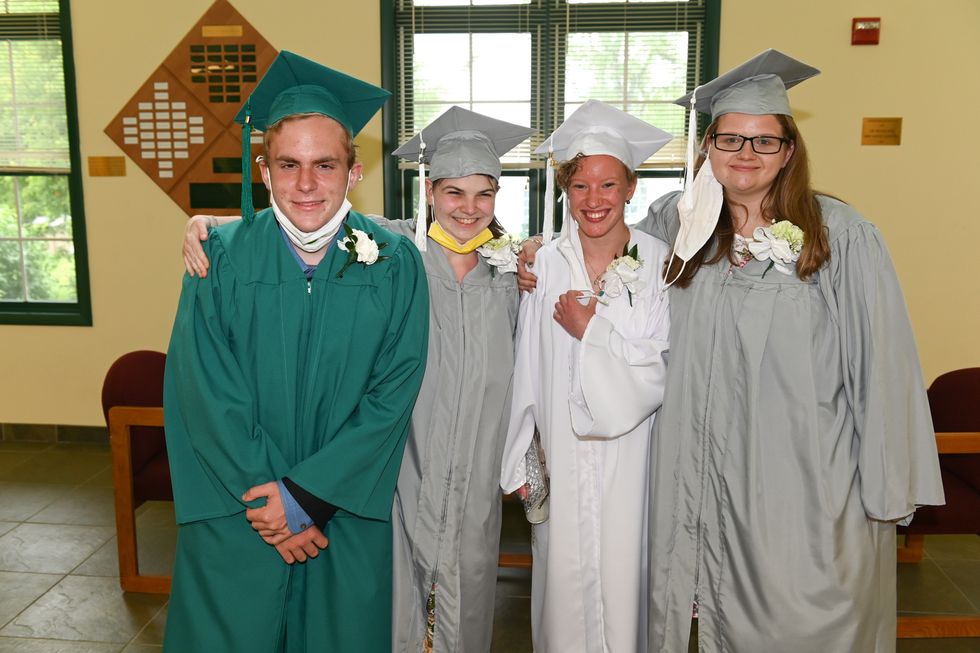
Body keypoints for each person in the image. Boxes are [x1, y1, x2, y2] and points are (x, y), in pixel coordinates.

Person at [519, 49, 945, 653]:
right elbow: (601, 237)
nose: (746, 153)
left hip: (803, 480)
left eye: (764, 140)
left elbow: (883, 369)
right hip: (697, 472)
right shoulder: (676, 226)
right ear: (708, 147)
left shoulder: (840, 236)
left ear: (789, 150)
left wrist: (887, 489)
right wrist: (537, 252)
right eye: (730, 139)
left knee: (802, 621)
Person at [182, 106, 532, 653]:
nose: (468, 207)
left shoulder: (494, 271)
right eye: (453, 192)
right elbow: (206, 386)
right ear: (429, 190)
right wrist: (205, 223)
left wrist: (533, 250)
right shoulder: (390, 250)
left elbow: (403, 387)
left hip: (429, 479)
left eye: (483, 194)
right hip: (354, 482)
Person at [163, 51, 428, 653]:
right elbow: (205, 390)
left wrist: (307, 498)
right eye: (289, 164)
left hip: (341, 511)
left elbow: (393, 393)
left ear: (354, 172)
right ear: (264, 170)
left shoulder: (394, 262)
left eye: (325, 164)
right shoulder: (219, 257)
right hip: (240, 511)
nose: (306, 184)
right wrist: (273, 504)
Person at [500, 100, 673, 653]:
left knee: (627, 585)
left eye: (608, 184)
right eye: (579, 186)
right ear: (565, 191)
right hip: (564, 455)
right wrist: (521, 455)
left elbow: (659, 368)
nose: (593, 199)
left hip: (635, 457)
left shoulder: (660, 264)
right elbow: (527, 365)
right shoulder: (544, 265)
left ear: (631, 187)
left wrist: (591, 330)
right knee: (563, 592)